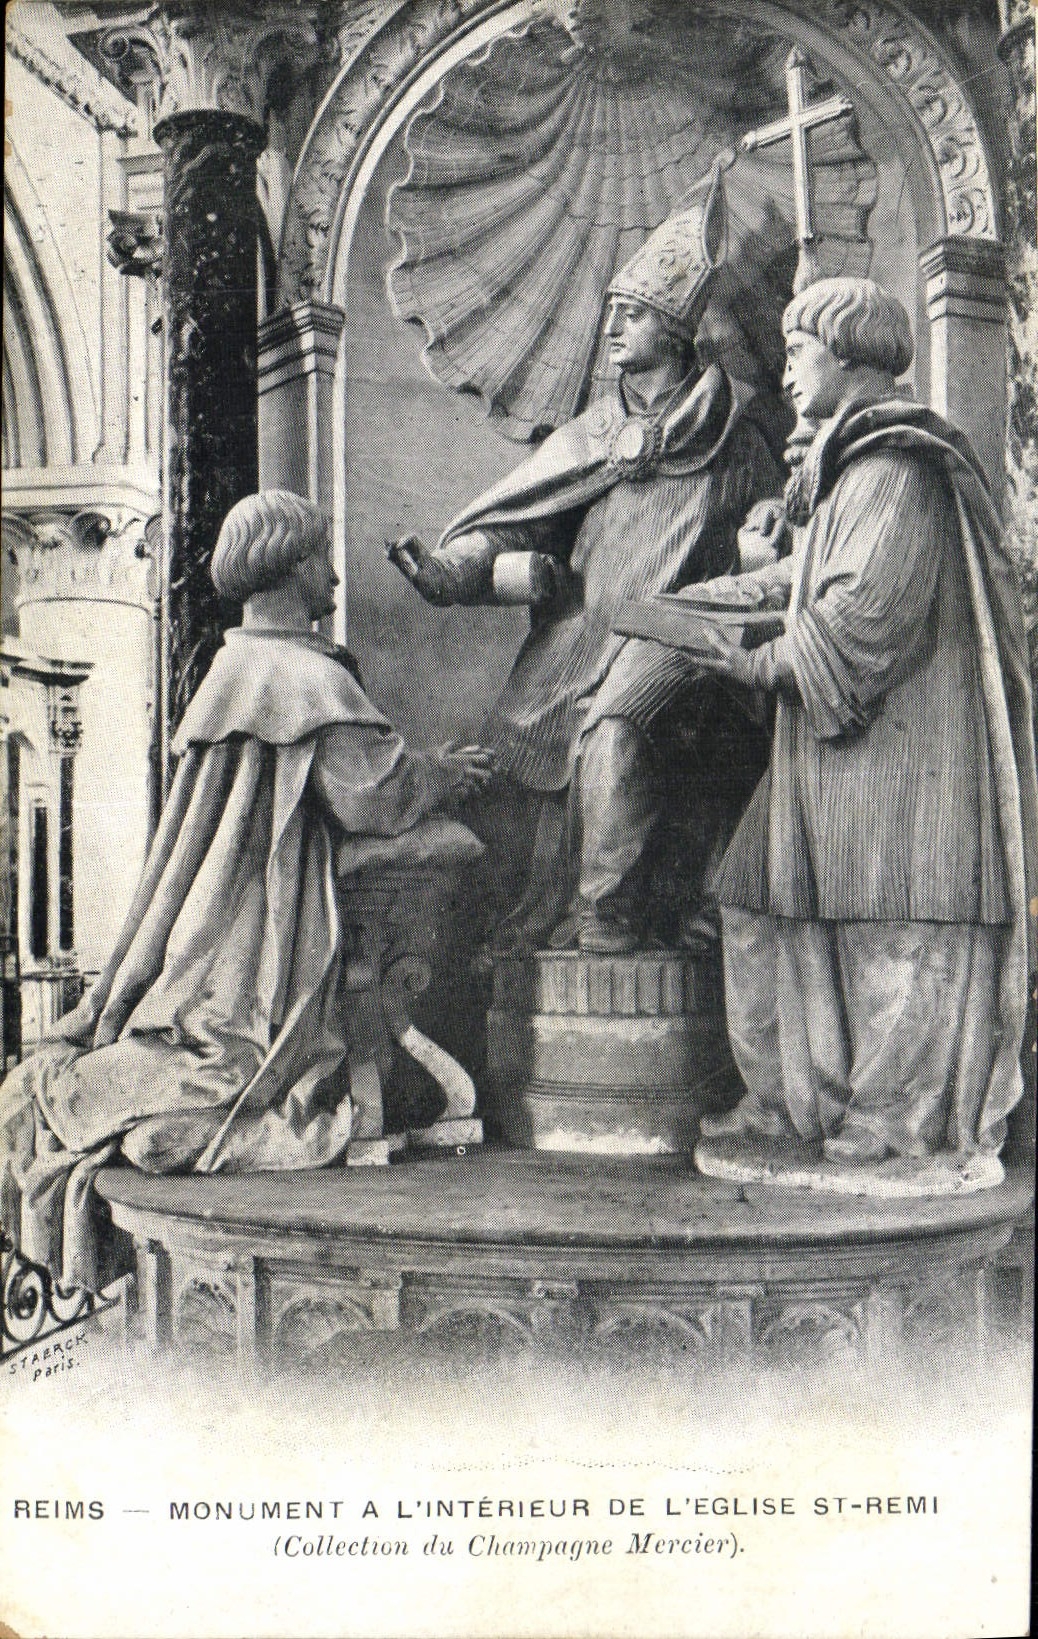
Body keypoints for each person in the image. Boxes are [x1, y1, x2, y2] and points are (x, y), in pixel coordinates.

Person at [0, 491, 494, 1289]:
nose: (332, 572)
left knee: (173, 1049)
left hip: (202, 931)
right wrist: (446, 773)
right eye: (322, 555)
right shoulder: (303, 672)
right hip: (262, 932)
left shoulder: (231, 666)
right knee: (230, 1065)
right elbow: (371, 793)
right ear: (294, 566)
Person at [690, 278, 1037, 1179]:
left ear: (848, 355)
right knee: (755, 895)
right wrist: (720, 597)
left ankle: (895, 1122)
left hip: (904, 751)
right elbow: (813, 576)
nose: (789, 373)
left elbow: (863, 617)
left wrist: (755, 660)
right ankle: (787, 1098)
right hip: (837, 747)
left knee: (896, 928)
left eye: (800, 351)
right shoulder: (855, 468)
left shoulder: (898, 467)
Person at [390, 163, 783, 954]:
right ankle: (555, 925)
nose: (613, 329)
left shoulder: (735, 440)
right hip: (578, 639)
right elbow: (516, 527)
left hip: (682, 646)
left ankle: (613, 925)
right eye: (613, 313)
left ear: (672, 332)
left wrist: (759, 545)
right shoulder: (591, 436)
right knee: (511, 753)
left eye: (631, 316)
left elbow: (776, 548)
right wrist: (450, 570)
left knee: (619, 737)